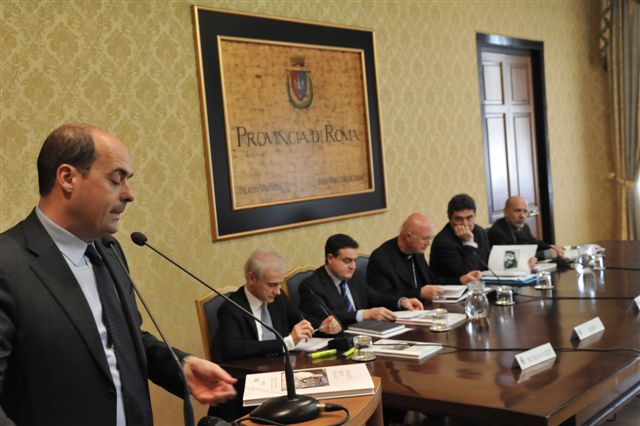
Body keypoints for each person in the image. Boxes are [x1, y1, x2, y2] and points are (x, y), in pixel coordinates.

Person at [0, 123, 236, 426]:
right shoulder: (7, 265)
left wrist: (181, 366)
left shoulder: (108, 250)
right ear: (68, 178)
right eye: (116, 180)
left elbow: (125, 338)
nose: (130, 195)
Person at [215, 248, 340, 362]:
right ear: (251, 278)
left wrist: (324, 326)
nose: (278, 291)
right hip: (251, 372)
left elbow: (299, 320)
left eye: (280, 284)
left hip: (283, 365)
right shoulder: (231, 308)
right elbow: (233, 348)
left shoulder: (278, 298)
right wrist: (286, 343)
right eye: (272, 285)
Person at [299, 234, 423, 327]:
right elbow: (329, 318)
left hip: (365, 334)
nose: (353, 266)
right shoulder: (311, 287)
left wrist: (401, 302)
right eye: (347, 261)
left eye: (355, 260)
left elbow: (376, 298)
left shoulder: (356, 276)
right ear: (330, 258)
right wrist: (365, 314)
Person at [367, 213, 481, 301]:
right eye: (425, 238)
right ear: (408, 236)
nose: (428, 243)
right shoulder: (381, 259)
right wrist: (419, 294)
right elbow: (382, 297)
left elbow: (432, 281)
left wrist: (460, 280)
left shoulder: (416, 252)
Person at [430, 194, 490, 282]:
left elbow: (486, 264)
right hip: (452, 288)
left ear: (475, 216)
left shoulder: (480, 232)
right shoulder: (443, 242)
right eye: (459, 219)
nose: (465, 224)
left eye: (469, 218)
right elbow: (467, 275)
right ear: (450, 219)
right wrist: (469, 242)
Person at [488, 196, 564, 261]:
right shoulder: (497, 232)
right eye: (517, 211)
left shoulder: (524, 227)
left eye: (525, 211)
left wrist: (551, 247)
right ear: (505, 212)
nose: (522, 216)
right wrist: (545, 254)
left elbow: (534, 243)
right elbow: (512, 258)